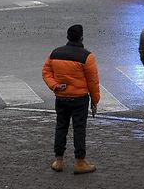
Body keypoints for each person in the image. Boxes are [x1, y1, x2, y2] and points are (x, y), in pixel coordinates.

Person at [42, 24, 100, 175]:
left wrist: (55, 86)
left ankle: (58, 161)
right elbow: (93, 82)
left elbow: (46, 72)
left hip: (61, 98)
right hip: (79, 99)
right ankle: (80, 162)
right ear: (81, 37)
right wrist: (95, 101)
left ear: (67, 37)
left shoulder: (55, 53)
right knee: (79, 129)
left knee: (61, 127)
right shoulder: (87, 56)